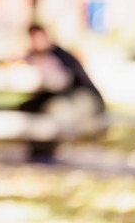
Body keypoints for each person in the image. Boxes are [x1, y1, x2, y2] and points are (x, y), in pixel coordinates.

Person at [19, 24, 105, 161]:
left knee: (55, 110)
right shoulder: (32, 57)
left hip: (85, 97)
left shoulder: (58, 55)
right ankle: (37, 149)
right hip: (62, 95)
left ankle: (47, 152)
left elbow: (63, 80)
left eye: (38, 37)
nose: (35, 42)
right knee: (29, 107)